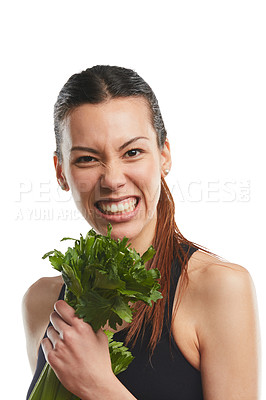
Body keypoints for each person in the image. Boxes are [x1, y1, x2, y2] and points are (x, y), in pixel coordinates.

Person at [23, 65, 260, 400]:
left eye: (132, 152)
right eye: (88, 159)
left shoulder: (219, 288)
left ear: (164, 155)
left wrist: (99, 387)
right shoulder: (42, 303)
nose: (113, 179)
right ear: (61, 172)